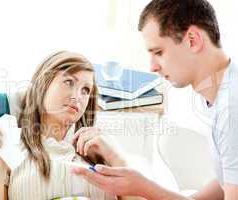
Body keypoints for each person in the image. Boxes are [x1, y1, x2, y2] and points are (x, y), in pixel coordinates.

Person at [74, 0, 238, 199]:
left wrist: (143, 188)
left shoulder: (231, 110)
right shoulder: (225, 90)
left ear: (192, 40)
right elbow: (226, 183)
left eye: (158, 52)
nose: (152, 67)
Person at [0, 51, 136, 200]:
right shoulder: (6, 146)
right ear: (43, 85)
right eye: (69, 82)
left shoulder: (101, 147)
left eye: (85, 90)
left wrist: (115, 156)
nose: (77, 96)